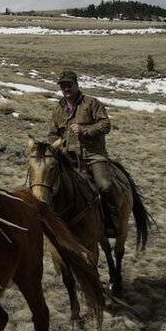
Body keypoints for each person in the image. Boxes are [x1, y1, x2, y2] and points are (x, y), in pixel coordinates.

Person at [47, 70, 119, 237]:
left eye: (69, 85)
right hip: (69, 156)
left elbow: (105, 125)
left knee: (104, 185)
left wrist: (85, 130)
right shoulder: (59, 108)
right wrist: (58, 147)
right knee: (52, 184)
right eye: (63, 86)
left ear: (76, 84)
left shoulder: (91, 103)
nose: (66, 89)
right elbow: (52, 133)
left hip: (93, 154)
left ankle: (111, 222)